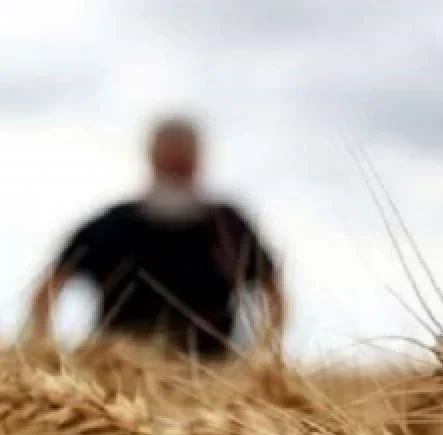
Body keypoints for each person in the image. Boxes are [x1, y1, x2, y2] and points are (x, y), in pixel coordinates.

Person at [29, 115, 287, 360]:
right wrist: (46, 352)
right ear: (151, 158)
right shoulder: (110, 227)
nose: (176, 168)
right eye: (169, 161)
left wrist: (260, 356)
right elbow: (48, 290)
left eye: (183, 162)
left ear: (198, 160)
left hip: (211, 380)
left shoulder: (228, 226)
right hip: (118, 381)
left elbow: (274, 293)